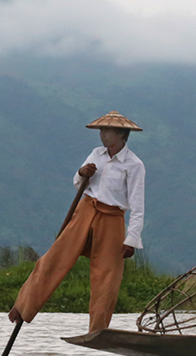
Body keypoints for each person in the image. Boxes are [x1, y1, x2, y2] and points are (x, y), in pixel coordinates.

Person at [8, 111, 146, 332]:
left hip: (112, 220)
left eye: (106, 130)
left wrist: (132, 239)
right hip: (85, 210)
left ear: (120, 134)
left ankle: (98, 331)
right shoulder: (96, 154)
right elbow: (78, 183)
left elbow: (138, 206)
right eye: (101, 130)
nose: (102, 134)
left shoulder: (134, 164)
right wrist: (82, 173)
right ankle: (23, 307)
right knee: (54, 259)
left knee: (106, 277)